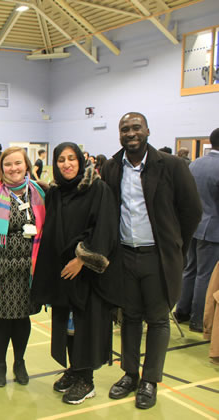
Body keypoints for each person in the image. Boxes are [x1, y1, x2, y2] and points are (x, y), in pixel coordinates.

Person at [101, 112, 201, 410]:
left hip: (157, 257)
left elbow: (192, 211)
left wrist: (174, 247)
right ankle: (130, 374)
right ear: (119, 134)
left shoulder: (171, 166)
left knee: (157, 320)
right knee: (129, 317)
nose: (130, 133)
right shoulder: (111, 167)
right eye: (125, 129)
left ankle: (150, 380)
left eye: (136, 128)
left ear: (147, 131)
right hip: (124, 257)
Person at [31, 143, 121, 405]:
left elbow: (104, 228)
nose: (66, 164)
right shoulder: (56, 192)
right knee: (68, 328)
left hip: (87, 274)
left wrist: (82, 259)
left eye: (71, 159)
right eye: (61, 159)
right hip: (63, 274)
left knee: (86, 326)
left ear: (81, 162)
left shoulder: (98, 190)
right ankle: (74, 369)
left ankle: (87, 380)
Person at [0, 147, 45, 388]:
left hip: (29, 269)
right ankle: (0, 363)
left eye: (18, 163)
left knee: (23, 318)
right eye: (8, 165)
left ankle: (20, 362)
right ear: (0, 169)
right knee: (2, 319)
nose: (13, 168)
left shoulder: (38, 193)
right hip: (0, 269)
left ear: (26, 165)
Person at [174, 128, 219, 332]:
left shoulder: (196, 163)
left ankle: (182, 310)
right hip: (212, 229)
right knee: (206, 275)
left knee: (190, 270)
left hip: (193, 225)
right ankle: (198, 319)